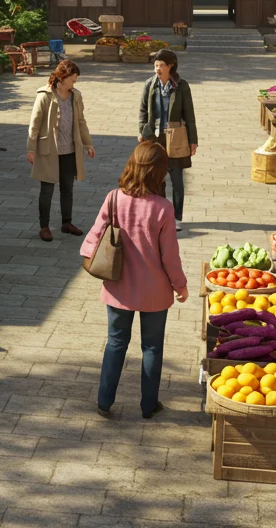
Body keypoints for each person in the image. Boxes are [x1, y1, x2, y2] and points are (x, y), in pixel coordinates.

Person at [81, 140, 188, 419]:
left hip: (118, 287)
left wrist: (88, 258)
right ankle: (148, 405)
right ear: (159, 173)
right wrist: (181, 285)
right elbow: (170, 257)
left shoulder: (114, 197)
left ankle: (104, 402)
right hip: (155, 291)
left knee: (115, 342)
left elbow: (93, 238)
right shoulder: (163, 208)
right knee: (152, 347)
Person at [27, 60, 95, 242]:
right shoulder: (45, 95)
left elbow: (81, 121)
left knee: (68, 189)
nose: (75, 83)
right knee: (47, 190)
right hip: (49, 150)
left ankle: (66, 222)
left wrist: (88, 144)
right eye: (73, 79)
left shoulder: (75, 96)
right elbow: (34, 124)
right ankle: (44, 227)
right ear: (63, 78)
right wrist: (31, 148)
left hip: (70, 150)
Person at [137, 49, 197, 230]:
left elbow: (190, 115)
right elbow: (143, 110)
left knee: (177, 179)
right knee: (155, 177)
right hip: (154, 137)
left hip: (176, 136)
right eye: (156, 65)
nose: (157, 69)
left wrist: (193, 140)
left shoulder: (181, 86)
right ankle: (159, 216)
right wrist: (141, 130)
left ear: (171, 66)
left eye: (161, 65)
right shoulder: (150, 85)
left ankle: (177, 217)